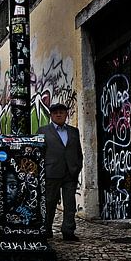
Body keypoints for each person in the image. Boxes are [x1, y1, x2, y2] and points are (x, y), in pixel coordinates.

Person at [36, 103, 83, 241]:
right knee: (49, 203)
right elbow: (39, 153)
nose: (59, 114)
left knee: (70, 204)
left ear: (66, 114)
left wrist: (77, 166)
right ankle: (46, 228)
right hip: (51, 172)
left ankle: (68, 231)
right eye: (55, 112)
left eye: (62, 112)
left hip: (70, 172)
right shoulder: (43, 131)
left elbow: (77, 151)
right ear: (51, 115)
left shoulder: (73, 131)